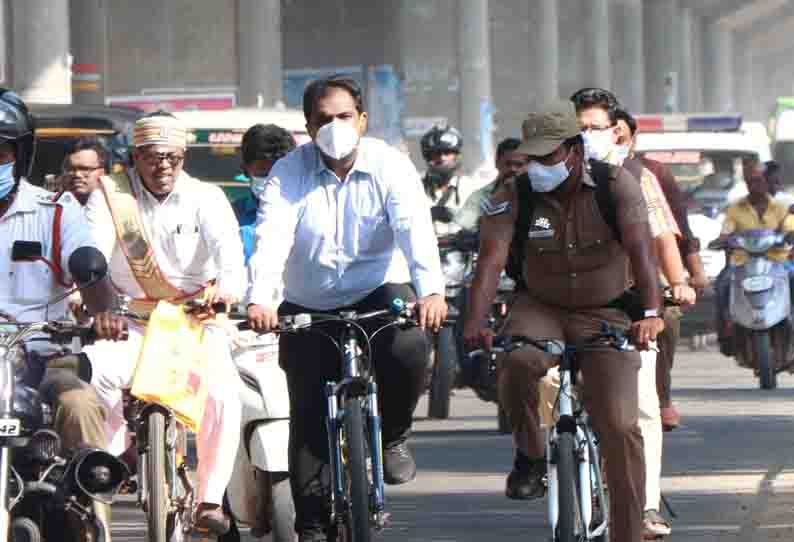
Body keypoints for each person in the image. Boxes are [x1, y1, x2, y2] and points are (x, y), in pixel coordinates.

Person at [246, 75, 447, 542]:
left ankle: (393, 433)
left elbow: (415, 230)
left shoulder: (390, 166)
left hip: (377, 290)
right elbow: (272, 236)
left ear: (362, 120)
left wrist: (431, 291)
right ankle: (312, 527)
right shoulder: (289, 172)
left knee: (411, 347)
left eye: (343, 116)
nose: (333, 126)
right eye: (322, 119)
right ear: (307, 125)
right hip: (307, 302)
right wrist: (261, 299)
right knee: (308, 415)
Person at [464, 100, 665, 542]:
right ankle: (532, 455)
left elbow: (642, 253)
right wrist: (475, 322)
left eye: (547, 156)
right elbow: (489, 264)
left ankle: (628, 533)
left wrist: (651, 314)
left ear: (574, 149)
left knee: (620, 427)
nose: (537, 166)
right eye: (532, 157)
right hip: (540, 306)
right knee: (516, 360)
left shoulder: (617, 185)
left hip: (605, 311)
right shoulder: (514, 194)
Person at [83, 112, 245, 535]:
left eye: (173, 157)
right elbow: (93, 258)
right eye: (154, 157)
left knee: (225, 394)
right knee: (96, 369)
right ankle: (117, 458)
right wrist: (96, 304)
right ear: (136, 157)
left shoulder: (207, 197)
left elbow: (231, 259)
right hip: (132, 319)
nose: (164, 167)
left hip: (195, 320)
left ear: (184, 156)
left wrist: (226, 292)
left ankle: (210, 498)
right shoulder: (109, 197)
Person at [571, 91, 694, 539]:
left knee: (640, 407)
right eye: (579, 129)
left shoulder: (638, 178)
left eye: (596, 128)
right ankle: (553, 461)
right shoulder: (545, 180)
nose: (588, 138)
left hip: (626, 306)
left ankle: (643, 505)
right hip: (564, 304)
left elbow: (662, 240)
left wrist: (677, 281)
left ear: (616, 130)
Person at [0, 88, 114, 537]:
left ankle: (92, 522)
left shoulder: (56, 210)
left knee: (81, 403)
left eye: (1, 149)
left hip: (48, 358)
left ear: (21, 153)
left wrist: (104, 311)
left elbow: (88, 266)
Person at [614, 108, 708, 431]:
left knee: (665, 316)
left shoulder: (645, 175)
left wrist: (683, 279)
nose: (602, 140)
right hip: (572, 289)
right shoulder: (553, 178)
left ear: (630, 139)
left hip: (634, 280)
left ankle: (660, 395)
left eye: (614, 134)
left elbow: (670, 233)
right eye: (583, 130)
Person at [714, 156, 794, 355]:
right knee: (722, 283)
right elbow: (726, 231)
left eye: (759, 181)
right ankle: (726, 332)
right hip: (742, 264)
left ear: (767, 183)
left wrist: (788, 236)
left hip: (778, 263)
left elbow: (789, 228)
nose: (755, 186)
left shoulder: (781, 209)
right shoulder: (734, 209)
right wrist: (723, 240)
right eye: (751, 182)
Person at [233, 123, 297, 264]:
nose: (271, 182)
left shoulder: (305, 214)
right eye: (263, 174)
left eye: (278, 175)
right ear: (245, 170)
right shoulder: (230, 217)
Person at [455, 137, 529, 231]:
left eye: (519, 165)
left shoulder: (539, 196)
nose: (512, 169)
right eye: (508, 164)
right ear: (497, 163)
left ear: (528, 166)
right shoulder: (479, 197)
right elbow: (465, 225)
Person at [421, 125, 483, 236]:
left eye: (447, 152)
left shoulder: (471, 188)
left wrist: (454, 216)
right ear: (428, 157)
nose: (442, 158)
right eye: (436, 153)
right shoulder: (414, 187)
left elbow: (481, 223)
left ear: (456, 156)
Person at [61, 137, 107, 206]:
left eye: (85, 169)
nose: (77, 174)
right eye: (71, 169)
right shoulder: (54, 208)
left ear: (102, 172)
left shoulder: (117, 210)